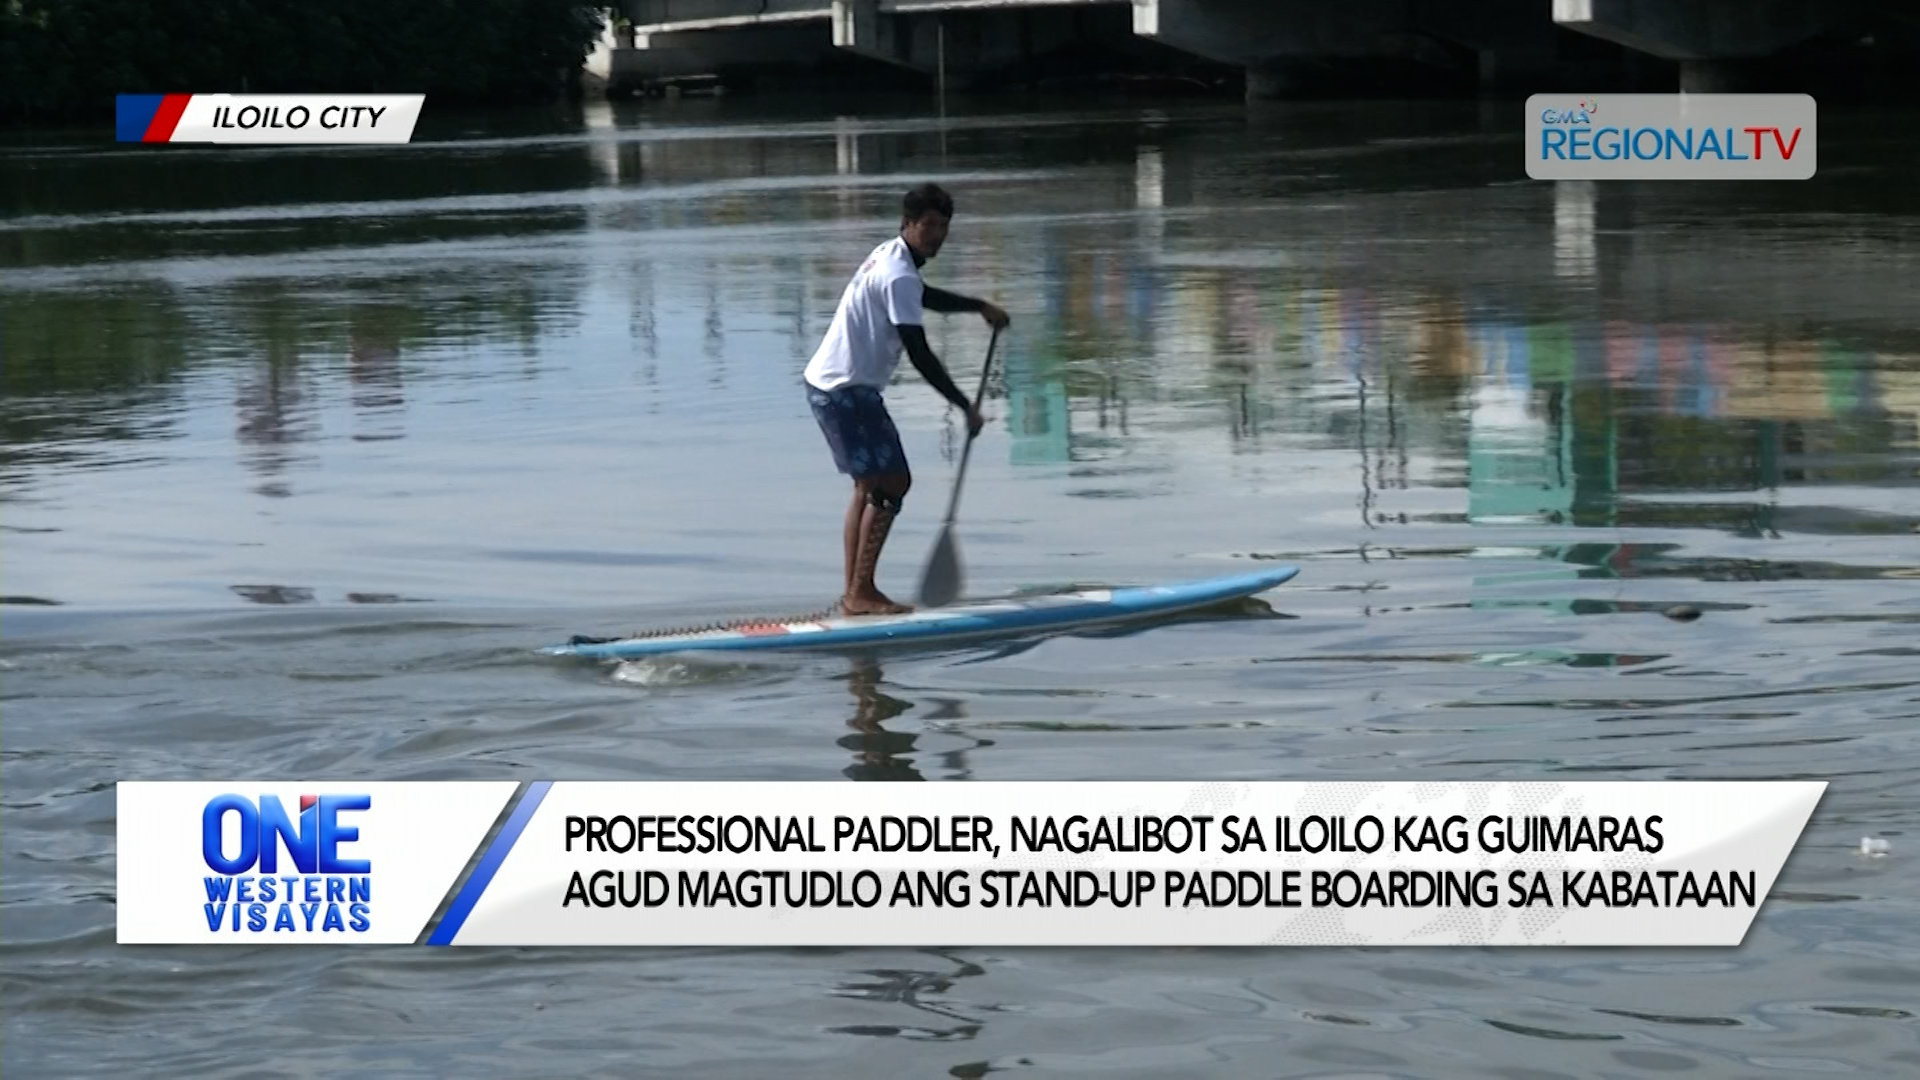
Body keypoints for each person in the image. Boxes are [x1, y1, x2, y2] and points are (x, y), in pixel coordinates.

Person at [803, 182, 1009, 616]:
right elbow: (918, 352)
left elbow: (922, 295)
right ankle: (860, 592)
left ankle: (855, 594)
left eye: (943, 227)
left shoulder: (893, 256)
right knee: (894, 481)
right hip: (846, 390)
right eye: (928, 225)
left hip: (830, 385)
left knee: (869, 485)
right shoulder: (897, 272)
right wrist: (963, 404)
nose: (936, 234)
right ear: (907, 225)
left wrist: (977, 305)